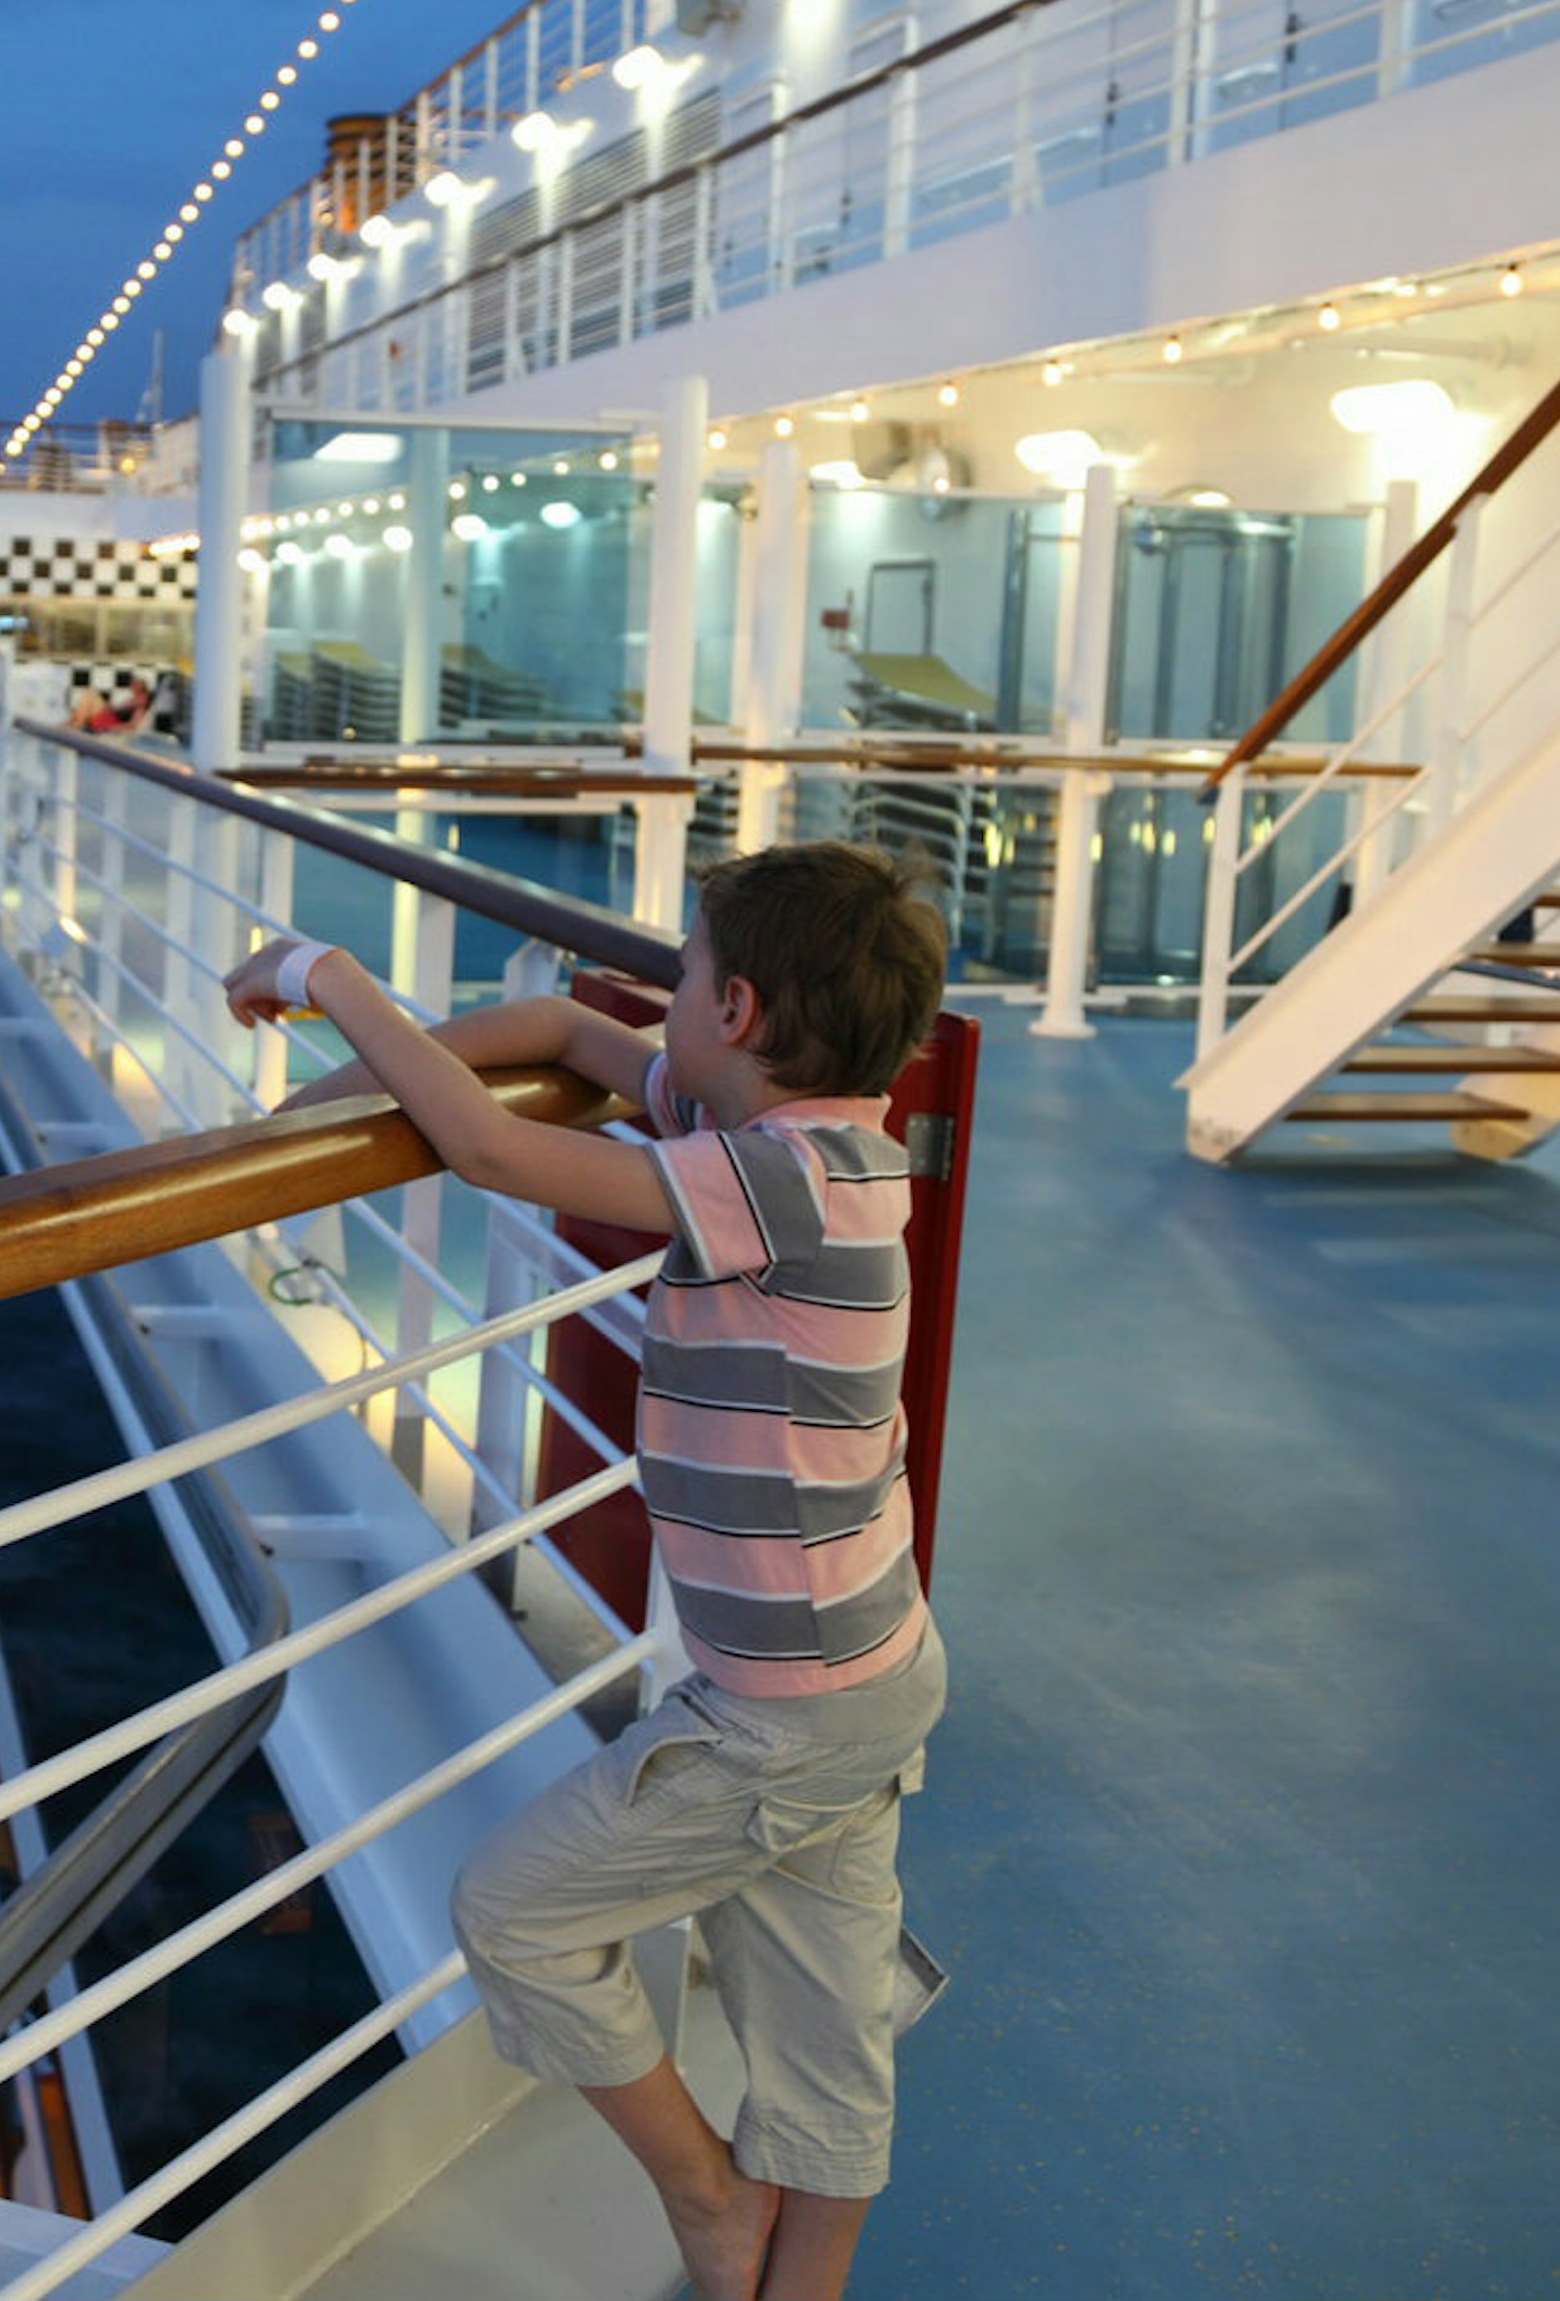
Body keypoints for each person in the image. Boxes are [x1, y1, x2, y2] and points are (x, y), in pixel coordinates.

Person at [220, 842, 949, 2301]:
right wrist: (348, 1087)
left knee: (518, 1911)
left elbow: (496, 1148)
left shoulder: (779, 1181)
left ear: (735, 1009)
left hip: (779, 1711)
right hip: (865, 1676)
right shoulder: (806, 1138)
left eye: (680, 977)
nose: (664, 1003)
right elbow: (560, 1034)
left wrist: (324, 979)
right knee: (823, 2029)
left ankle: (708, 2208)